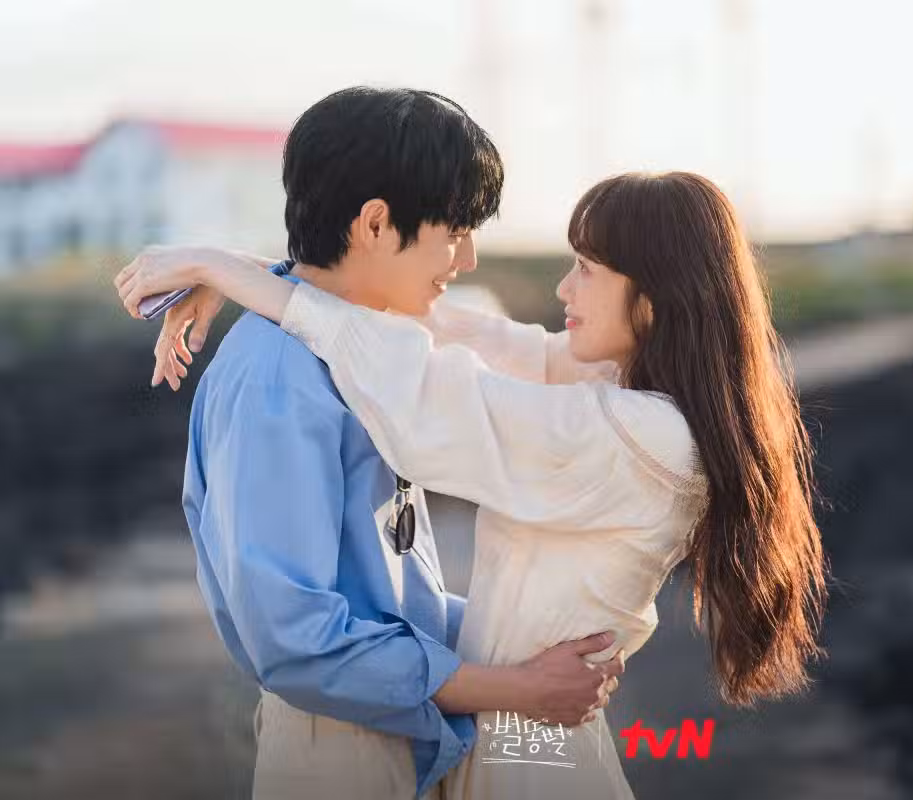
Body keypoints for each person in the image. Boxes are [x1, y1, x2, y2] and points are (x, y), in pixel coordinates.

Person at [117, 170, 829, 799]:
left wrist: (221, 268)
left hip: (529, 751)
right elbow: (450, 330)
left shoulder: (641, 436)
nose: (564, 288)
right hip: (518, 729)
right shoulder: (629, 397)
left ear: (655, 297)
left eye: (586, 269)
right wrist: (240, 274)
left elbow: (427, 388)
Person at [123, 87, 625, 800]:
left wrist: (540, 648)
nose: (468, 258)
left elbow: (396, 599)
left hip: (400, 730)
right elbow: (296, 637)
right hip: (341, 751)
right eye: (455, 230)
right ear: (377, 224)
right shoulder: (278, 380)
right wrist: (517, 688)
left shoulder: (355, 350)